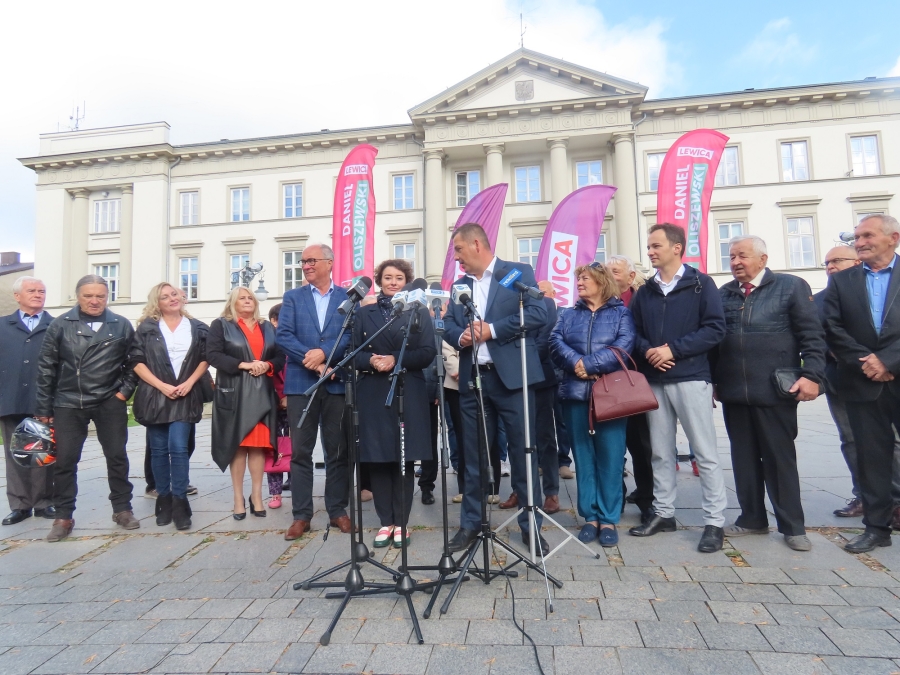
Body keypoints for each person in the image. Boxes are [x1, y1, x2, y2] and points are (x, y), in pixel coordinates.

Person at [442, 223, 548, 555]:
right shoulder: (460, 285)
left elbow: (538, 313)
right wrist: (460, 337)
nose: (456, 257)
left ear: (477, 244)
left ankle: (531, 527)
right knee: (473, 455)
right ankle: (471, 524)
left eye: (459, 249)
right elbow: (448, 325)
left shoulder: (516, 273)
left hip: (513, 379)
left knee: (523, 452)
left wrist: (492, 330)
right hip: (474, 379)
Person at [716, 235, 826, 551]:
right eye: (732, 256)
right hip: (735, 391)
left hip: (776, 389)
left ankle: (792, 526)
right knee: (743, 457)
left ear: (763, 259)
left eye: (742, 255)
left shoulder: (790, 287)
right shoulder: (724, 293)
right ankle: (752, 518)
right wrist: (713, 381)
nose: (736, 262)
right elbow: (715, 341)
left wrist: (812, 376)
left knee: (779, 459)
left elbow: (812, 336)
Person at [626, 225, 728, 552]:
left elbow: (715, 329)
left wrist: (673, 350)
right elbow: (634, 331)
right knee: (660, 452)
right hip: (655, 381)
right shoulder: (645, 291)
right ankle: (664, 513)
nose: (650, 251)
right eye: (649, 246)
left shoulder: (701, 284)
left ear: (677, 248)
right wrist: (649, 351)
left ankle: (714, 522)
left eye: (656, 246)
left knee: (704, 452)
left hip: (692, 377)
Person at [35, 274, 139, 541]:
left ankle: (122, 508)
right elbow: (46, 368)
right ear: (78, 296)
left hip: (109, 401)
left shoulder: (121, 324)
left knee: (117, 457)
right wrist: (43, 409)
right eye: (88, 296)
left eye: (100, 296)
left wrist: (124, 392)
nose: (95, 301)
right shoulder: (60, 324)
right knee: (66, 461)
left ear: (108, 297)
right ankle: (63, 516)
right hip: (69, 401)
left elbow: (135, 361)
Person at [825, 215, 900, 552]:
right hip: (861, 381)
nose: (860, 242)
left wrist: (888, 361)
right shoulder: (843, 281)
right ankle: (877, 529)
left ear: (893, 237)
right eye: (857, 237)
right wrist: (867, 361)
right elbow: (831, 327)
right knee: (871, 460)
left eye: (868, 235)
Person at [550, 263, 634, 546]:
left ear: (601, 281)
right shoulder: (568, 314)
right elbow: (555, 343)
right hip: (575, 395)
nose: (580, 283)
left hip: (611, 397)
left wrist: (589, 364)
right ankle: (590, 517)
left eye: (585, 278)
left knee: (611, 458)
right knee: (583, 458)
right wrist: (577, 364)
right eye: (578, 279)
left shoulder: (621, 313)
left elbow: (623, 346)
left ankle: (608, 519)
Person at [353, 259, 436, 547]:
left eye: (399, 278)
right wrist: (371, 360)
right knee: (377, 458)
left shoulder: (418, 311)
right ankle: (385, 522)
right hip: (373, 392)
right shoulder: (364, 313)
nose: (393, 282)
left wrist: (395, 360)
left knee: (404, 458)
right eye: (388, 277)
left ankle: (401, 523)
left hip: (407, 389)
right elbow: (351, 353)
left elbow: (427, 352)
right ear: (379, 281)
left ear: (406, 281)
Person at [276, 243, 352, 540]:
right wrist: (314, 360)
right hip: (301, 384)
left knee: (337, 450)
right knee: (301, 452)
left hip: (335, 383)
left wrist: (325, 353)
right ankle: (301, 515)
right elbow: (284, 336)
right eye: (303, 261)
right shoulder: (292, 297)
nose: (306, 265)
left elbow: (350, 335)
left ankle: (337, 510)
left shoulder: (347, 298)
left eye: (311, 260)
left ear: (329, 263)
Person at [130, 283, 209, 530]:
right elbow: (136, 361)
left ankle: (180, 501)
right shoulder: (147, 328)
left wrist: (190, 382)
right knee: (158, 450)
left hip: (186, 393)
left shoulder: (197, 327)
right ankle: (163, 498)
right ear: (158, 303)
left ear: (182, 297)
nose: (172, 298)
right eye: (165, 297)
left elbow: (206, 358)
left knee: (178, 447)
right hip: (155, 395)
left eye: (174, 294)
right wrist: (161, 386)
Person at [207, 286, 285, 520]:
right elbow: (213, 355)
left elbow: (280, 356)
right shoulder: (221, 325)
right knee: (238, 446)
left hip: (262, 395)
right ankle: (238, 499)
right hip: (235, 394)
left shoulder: (267, 327)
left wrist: (268, 365)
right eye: (242, 298)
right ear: (233, 302)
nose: (248, 300)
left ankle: (257, 496)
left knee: (258, 446)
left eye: (250, 297)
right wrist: (244, 364)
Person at [0, 277, 55, 525]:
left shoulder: (55, 326)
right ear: (17, 296)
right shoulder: (3, 325)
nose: (37, 294)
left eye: (41, 291)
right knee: (14, 453)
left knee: (43, 451)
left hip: (43, 400)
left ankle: (43, 502)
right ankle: (20, 505)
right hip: (10, 398)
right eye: (31, 290)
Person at [606, 255, 655, 522]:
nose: (610, 276)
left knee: (642, 445)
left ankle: (647, 499)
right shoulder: (599, 302)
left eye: (615, 271)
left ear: (630, 276)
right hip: (607, 383)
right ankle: (616, 498)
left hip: (636, 381)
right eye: (606, 271)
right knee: (612, 447)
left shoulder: (643, 300)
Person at [266, 303, 289, 509]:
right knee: (274, 446)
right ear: (274, 321)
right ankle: (275, 492)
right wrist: (278, 397)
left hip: (295, 399)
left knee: (296, 446)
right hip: (272, 401)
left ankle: (296, 483)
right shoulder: (269, 343)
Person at [443, 341, 465, 503]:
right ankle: (465, 488)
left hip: (486, 380)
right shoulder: (453, 324)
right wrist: (464, 372)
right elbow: (447, 348)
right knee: (462, 438)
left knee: (488, 438)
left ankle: (491, 488)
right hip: (456, 385)